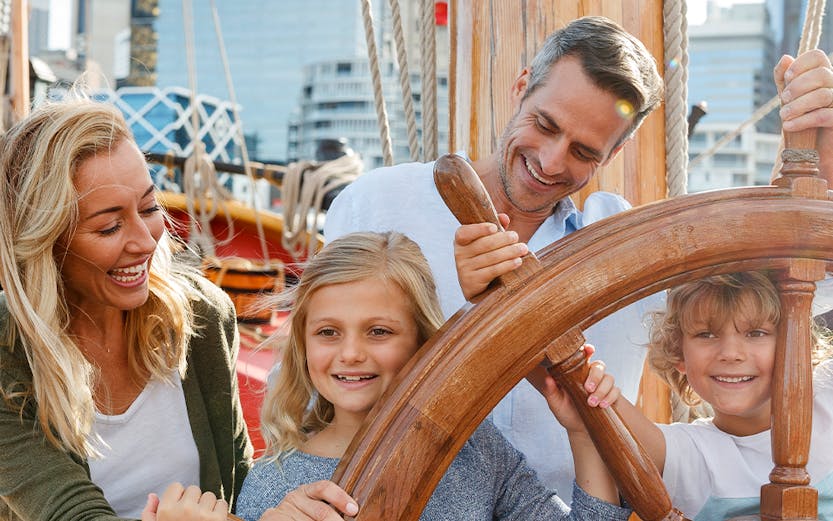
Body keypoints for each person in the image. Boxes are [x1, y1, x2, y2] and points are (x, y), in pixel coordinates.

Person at [324, 15, 665, 495]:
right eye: (544, 124)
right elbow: (310, 374)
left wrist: (813, 153)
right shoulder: (375, 204)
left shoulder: (634, 246)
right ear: (521, 86)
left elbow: (796, 292)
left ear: (616, 152)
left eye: (584, 152)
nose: (550, 162)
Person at [234, 231, 630, 521]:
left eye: (379, 332)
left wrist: (582, 432)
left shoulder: (476, 452)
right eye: (328, 332)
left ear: (422, 343)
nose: (351, 354)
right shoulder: (272, 485)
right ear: (303, 347)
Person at [0, 97, 252, 520]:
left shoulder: (205, 316)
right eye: (109, 226)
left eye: (150, 208)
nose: (146, 240)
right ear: (46, 241)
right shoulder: (7, 352)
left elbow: (240, 483)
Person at [574, 271, 833, 520]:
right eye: (706, 334)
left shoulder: (827, 395)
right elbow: (600, 401)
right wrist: (588, 378)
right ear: (679, 354)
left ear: (798, 343)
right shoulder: (688, 452)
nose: (731, 353)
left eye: (756, 333)